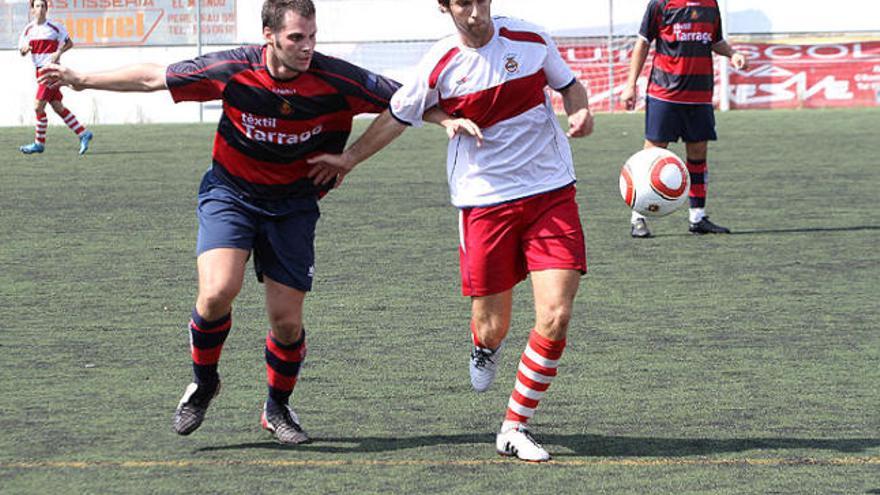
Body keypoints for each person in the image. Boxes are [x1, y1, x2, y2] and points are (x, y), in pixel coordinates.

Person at [38, 0, 401, 445]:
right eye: (295, 38)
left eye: (312, 37)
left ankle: (277, 408)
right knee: (216, 293)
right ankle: (204, 381)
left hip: (293, 205)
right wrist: (82, 79)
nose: (307, 47)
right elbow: (155, 77)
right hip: (231, 194)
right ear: (268, 36)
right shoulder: (232, 68)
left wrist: (353, 156)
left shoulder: (336, 78)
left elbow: (407, 102)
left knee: (286, 322)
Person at [307, 0, 593, 462]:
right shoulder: (439, 64)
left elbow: (571, 87)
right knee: (492, 325)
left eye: (483, 0)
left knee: (556, 314)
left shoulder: (532, 39)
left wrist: (580, 113)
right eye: (464, 2)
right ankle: (484, 347)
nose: (476, 12)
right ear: (444, 7)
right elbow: (397, 116)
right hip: (483, 202)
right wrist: (349, 159)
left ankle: (514, 426)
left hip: (550, 191)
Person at [620, 0, 748, 238]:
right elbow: (643, 43)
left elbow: (715, 40)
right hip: (664, 93)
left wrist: (732, 53)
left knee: (698, 153)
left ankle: (697, 217)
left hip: (699, 94)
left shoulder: (711, 4)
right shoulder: (660, 4)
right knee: (652, 156)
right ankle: (638, 218)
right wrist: (630, 85)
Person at [17, 0, 93, 155]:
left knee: (38, 107)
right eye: (37, 6)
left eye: (43, 6)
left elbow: (69, 43)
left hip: (51, 71)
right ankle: (83, 133)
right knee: (57, 106)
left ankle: (39, 143)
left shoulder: (54, 27)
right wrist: (24, 50)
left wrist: (59, 52)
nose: (41, 9)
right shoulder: (28, 29)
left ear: (47, 8)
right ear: (32, 10)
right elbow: (22, 50)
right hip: (39, 71)